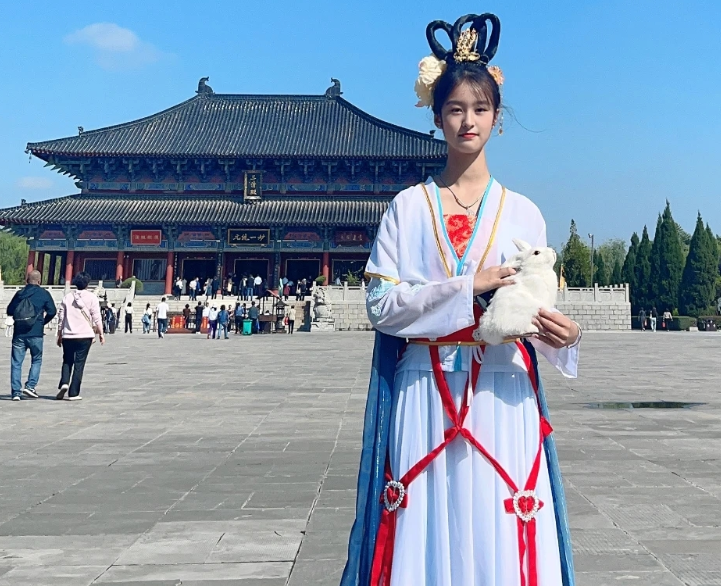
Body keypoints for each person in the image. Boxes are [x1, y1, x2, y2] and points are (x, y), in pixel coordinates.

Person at [341, 13, 579, 586]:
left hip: (504, 388)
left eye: (480, 108)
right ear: (435, 115)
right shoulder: (407, 207)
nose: (467, 121)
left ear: (497, 118)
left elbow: (536, 301)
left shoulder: (524, 213)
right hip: (425, 385)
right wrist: (467, 286)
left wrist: (564, 337)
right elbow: (380, 305)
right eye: (455, 109)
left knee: (500, 525)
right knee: (428, 522)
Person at [6, 270, 57, 400]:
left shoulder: (20, 293)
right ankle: (30, 386)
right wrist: (42, 322)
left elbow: (10, 311)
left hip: (19, 333)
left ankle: (16, 392)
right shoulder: (44, 294)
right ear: (39, 281)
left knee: (16, 363)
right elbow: (52, 311)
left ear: (27, 280)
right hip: (36, 333)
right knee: (36, 359)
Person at [56, 272, 104, 401]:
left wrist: (59, 334)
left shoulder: (67, 297)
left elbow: (61, 318)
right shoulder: (92, 298)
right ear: (87, 284)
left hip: (68, 335)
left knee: (67, 360)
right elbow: (96, 317)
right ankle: (73, 393)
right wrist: (101, 333)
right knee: (79, 363)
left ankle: (64, 382)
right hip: (85, 335)